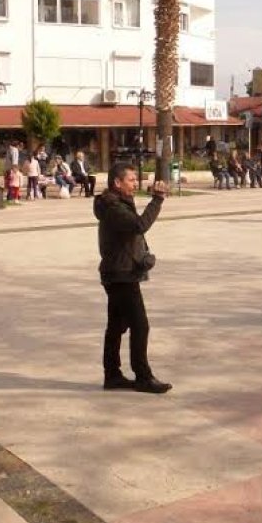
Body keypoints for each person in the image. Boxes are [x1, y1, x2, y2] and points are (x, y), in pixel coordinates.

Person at [94, 163, 172, 394]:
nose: (135, 183)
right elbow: (139, 226)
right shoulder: (113, 207)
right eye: (131, 180)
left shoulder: (115, 203)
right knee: (140, 326)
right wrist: (157, 199)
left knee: (116, 326)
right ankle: (143, 377)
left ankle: (113, 375)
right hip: (121, 275)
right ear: (117, 183)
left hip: (119, 271)